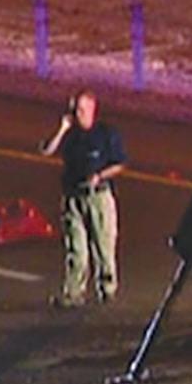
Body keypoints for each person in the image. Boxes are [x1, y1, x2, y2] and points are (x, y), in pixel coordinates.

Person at [40, 89, 126, 305]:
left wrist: (100, 175)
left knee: (104, 246)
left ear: (92, 109)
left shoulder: (105, 134)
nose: (76, 114)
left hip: (98, 197)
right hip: (73, 197)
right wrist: (62, 129)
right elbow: (47, 150)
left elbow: (119, 163)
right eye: (74, 109)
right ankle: (73, 293)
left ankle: (107, 289)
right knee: (76, 248)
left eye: (80, 109)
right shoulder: (70, 135)